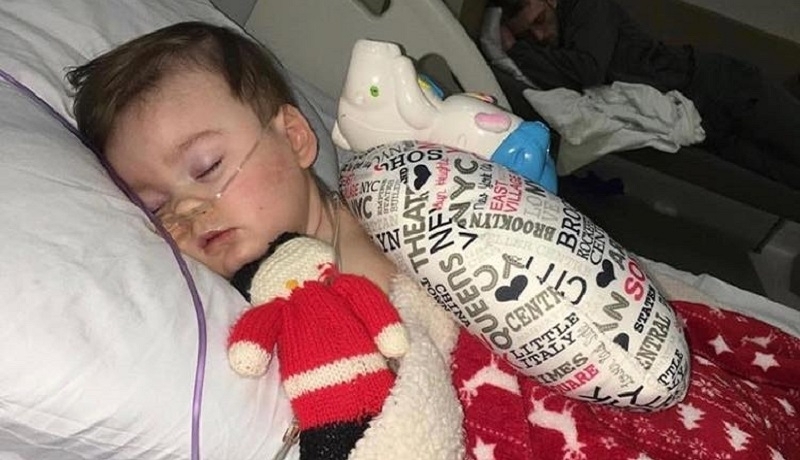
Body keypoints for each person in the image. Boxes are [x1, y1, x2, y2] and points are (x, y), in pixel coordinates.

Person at [66, 21, 396, 294]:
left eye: (207, 167)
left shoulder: (368, 267)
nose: (185, 209)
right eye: (156, 207)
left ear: (295, 138)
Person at [493, 0, 800, 189]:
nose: (540, 36)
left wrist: (517, 49)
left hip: (723, 85)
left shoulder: (588, 6)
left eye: (539, 21)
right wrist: (522, 48)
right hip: (703, 121)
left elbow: (588, 70)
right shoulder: (551, 50)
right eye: (528, 34)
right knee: (786, 180)